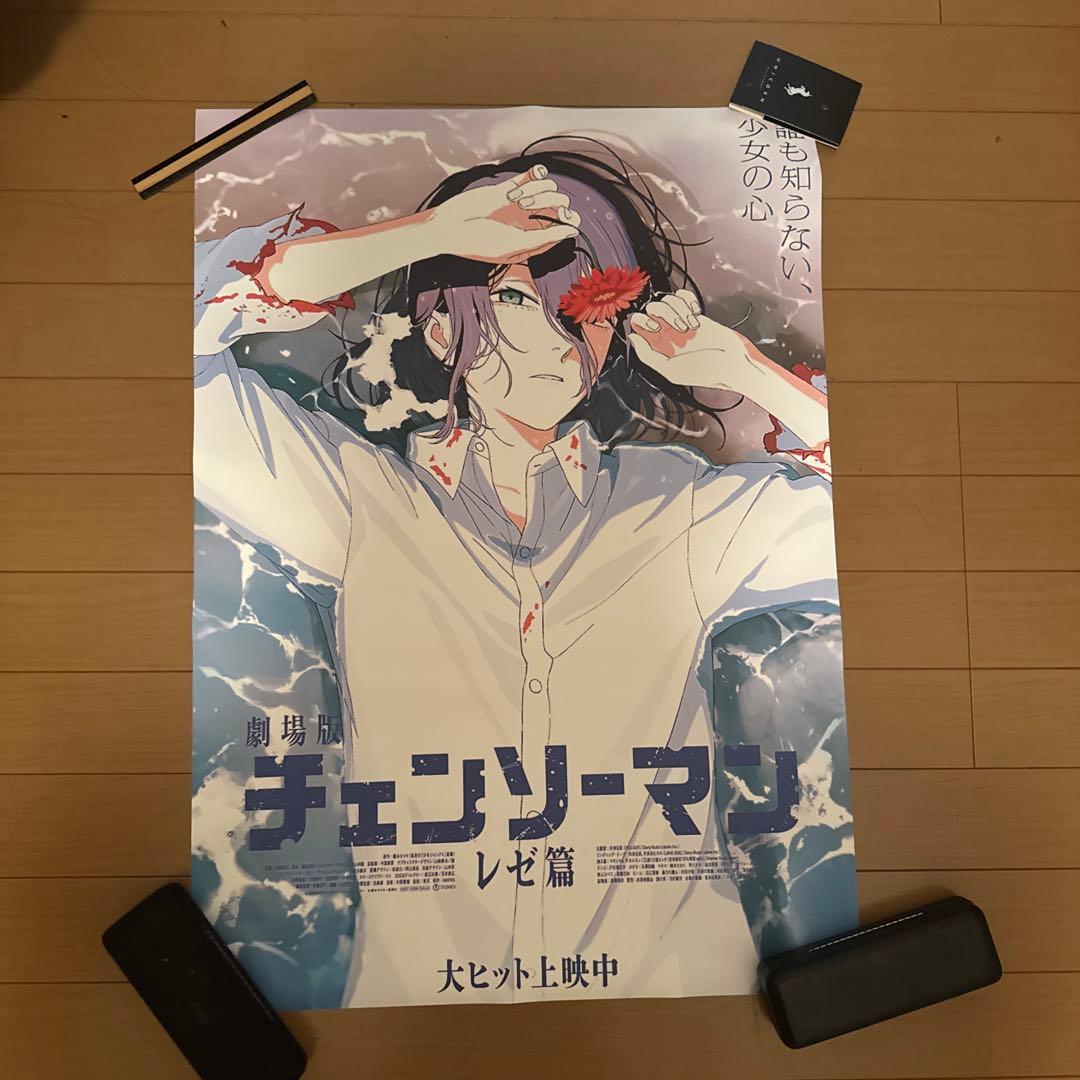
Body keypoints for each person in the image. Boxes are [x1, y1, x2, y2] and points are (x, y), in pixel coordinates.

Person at [194, 142, 838, 1007]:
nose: (555, 338)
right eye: (508, 297)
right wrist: (427, 234)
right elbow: (173, 350)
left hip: (679, 1000)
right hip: (421, 1014)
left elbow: (884, 510)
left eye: (584, 304)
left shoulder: (679, 512)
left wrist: (741, 370)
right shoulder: (355, 503)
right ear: (438, 327)